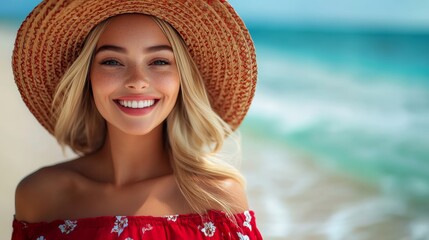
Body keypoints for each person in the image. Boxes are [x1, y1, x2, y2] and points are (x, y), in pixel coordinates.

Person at [11, 0, 261, 239]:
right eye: (112, 61)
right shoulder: (39, 195)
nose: (137, 80)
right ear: (87, 78)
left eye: (159, 61)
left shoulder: (217, 198)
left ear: (182, 80)